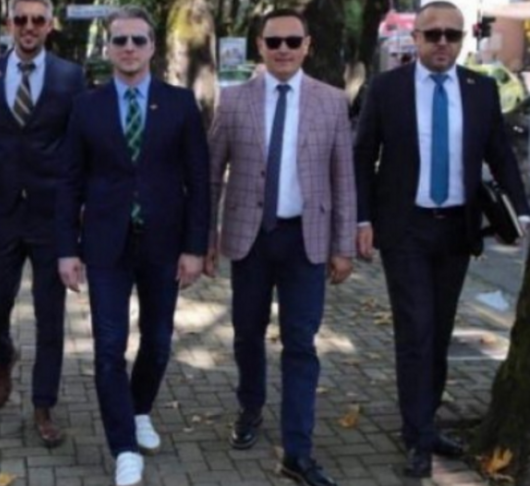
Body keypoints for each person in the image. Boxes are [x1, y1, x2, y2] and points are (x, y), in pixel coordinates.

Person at [354, 1, 530, 479]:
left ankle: (425, 423)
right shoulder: (387, 88)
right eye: (432, 34)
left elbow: (500, 154)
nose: (442, 43)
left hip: (456, 229)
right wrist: (362, 219)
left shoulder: (480, 90)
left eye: (452, 35)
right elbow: (363, 155)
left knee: (439, 331)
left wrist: (522, 210)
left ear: (461, 40)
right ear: (415, 38)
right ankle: (416, 436)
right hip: (404, 228)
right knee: (415, 330)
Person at [56, 6, 209, 486]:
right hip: (106, 246)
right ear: (108, 48)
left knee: (158, 342)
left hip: (164, 243)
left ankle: (138, 408)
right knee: (108, 347)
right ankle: (123, 446)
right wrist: (66, 249)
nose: (128, 48)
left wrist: (195, 247)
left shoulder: (180, 104)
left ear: (152, 47)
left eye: (138, 40)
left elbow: (199, 182)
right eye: (119, 40)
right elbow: (69, 183)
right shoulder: (86, 106)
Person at [206, 9, 356, 486]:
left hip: (306, 241)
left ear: (308, 45)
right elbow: (211, 176)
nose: (284, 49)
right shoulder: (234, 100)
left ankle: (297, 450)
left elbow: (343, 179)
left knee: (300, 344)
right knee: (247, 333)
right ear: (261, 46)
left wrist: (343, 245)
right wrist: (205, 239)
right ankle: (250, 406)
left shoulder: (331, 101)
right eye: (275, 42)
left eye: (293, 41)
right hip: (249, 238)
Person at [0, 0, 85, 447]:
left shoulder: (70, 77)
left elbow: (81, 146)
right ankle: (4, 356)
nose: (29, 26)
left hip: (52, 215)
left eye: (38, 19)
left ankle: (43, 404)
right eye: (21, 19)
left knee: (49, 317)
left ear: (50, 25)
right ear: (9, 23)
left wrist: (82, 209)